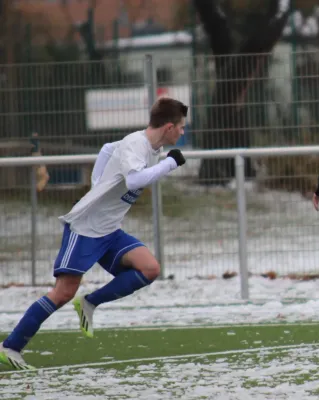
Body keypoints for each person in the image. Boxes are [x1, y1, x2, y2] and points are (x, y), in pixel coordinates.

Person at [0, 98, 188, 370]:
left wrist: (97, 184)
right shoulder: (137, 144)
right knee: (63, 292)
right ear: (169, 127)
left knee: (150, 268)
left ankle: (89, 302)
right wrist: (170, 164)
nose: (182, 132)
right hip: (86, 229)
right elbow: (134, 179)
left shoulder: (151, 148)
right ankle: (10, 346)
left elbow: (107, 148)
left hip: (110, 231)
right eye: (181, 127)